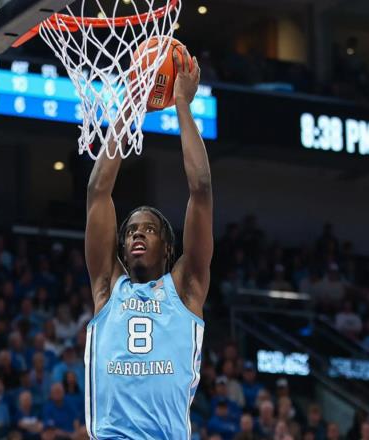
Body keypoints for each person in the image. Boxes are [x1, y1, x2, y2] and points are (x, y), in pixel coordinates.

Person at [83, 48, 212, 439]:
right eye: (130, 231)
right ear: (122, 248)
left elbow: (201, 189)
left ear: (168, 248)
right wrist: (131, 103)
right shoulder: (107, 288)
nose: (137, 234)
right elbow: (98, 192)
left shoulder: (186, 288)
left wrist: (182, 104)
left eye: (149, 230)